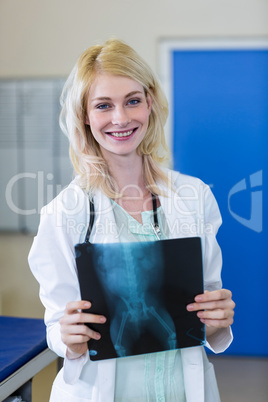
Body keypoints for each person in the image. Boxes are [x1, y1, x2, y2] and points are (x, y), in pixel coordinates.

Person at [28, 38, 235, 402]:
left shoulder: (194, 196)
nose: (120, 118)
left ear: (150, 103)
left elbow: (209, 304)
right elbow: (57, 329)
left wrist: (218, 318)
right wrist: (69, 337)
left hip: (182, 391)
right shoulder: (65, 213)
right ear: (84, 116)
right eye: (104, 105)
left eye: (132, 101)